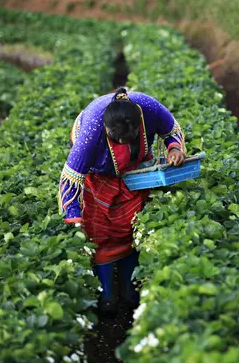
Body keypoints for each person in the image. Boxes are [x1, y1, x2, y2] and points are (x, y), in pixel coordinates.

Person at [58, 87, 186, 313]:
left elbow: (171, 129)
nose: (120, 141)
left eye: (126, 137)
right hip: (99, 177)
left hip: (134, 174)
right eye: (115, 138)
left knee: (130, 226)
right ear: (106, 129)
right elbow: (71, 178)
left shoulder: (148, 108)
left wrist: (174, 149)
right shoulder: (91, 131)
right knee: (100, 232)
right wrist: (75, 219)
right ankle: (106, 293)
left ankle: (129, 288)